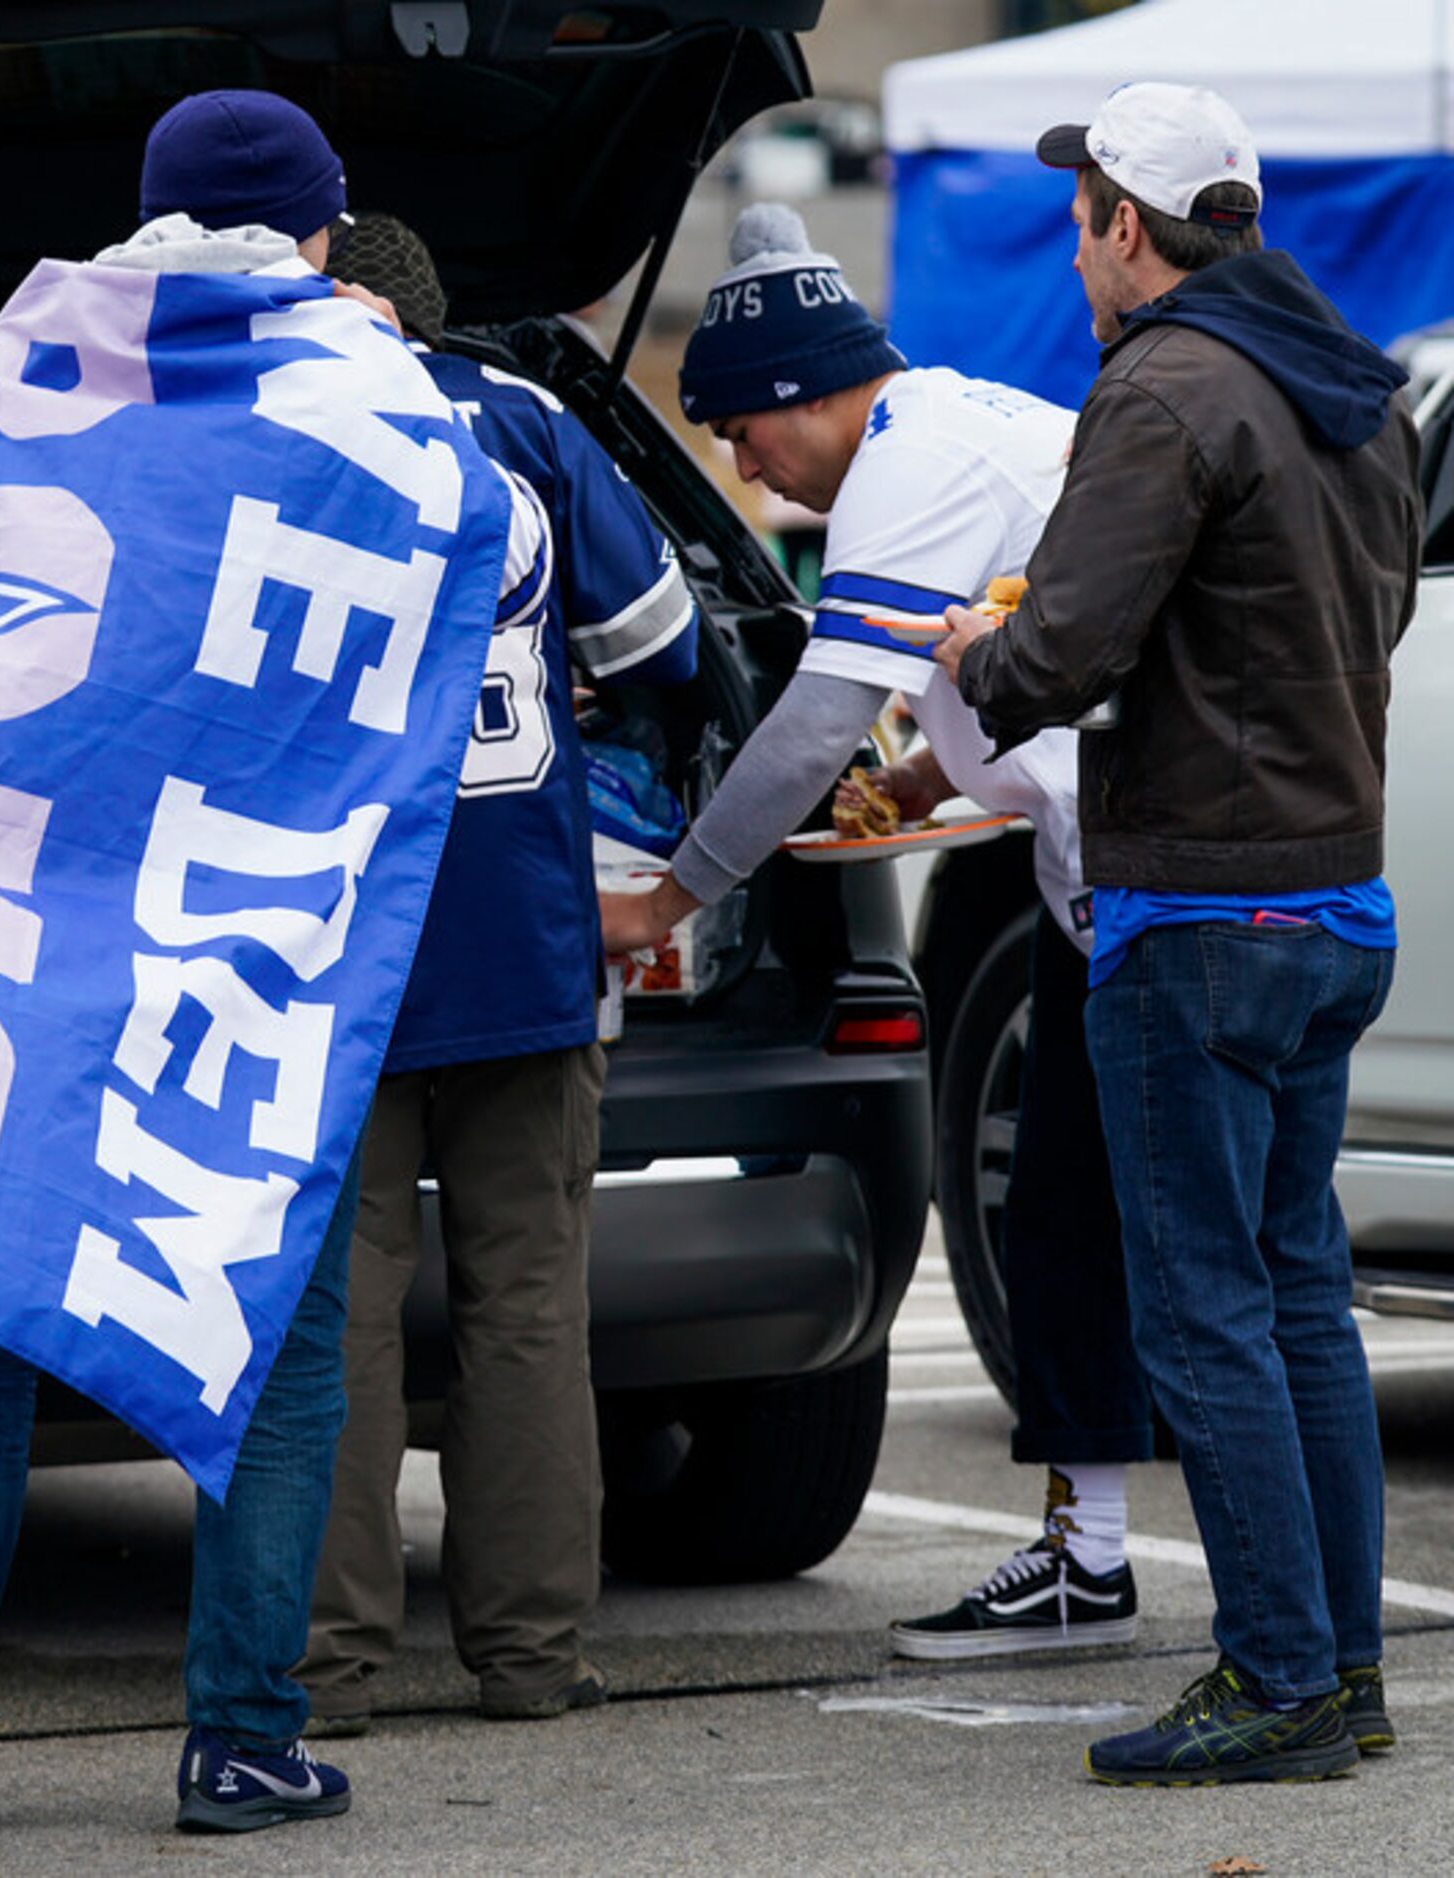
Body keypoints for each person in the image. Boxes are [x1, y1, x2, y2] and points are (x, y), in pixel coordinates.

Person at [0, 91, 542, 1837]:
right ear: (324, 230)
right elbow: (484, 587)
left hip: (33, 928)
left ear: (151, 212)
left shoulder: (36, 358)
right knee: (276, 1331)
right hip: (258, 942)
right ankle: (244, 1735)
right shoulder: (377, 394)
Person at [600, 203, 1155, 1660]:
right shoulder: (946, 428)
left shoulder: (907, 469)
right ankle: (1090, 1555)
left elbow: (801, 736)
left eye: (738, 432)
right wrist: (916, 774)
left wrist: (667, 896)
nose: (738, 466)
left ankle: (1282, 1606)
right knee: (1061, 1224)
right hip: (1092, 883)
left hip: (1152, 890)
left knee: (1188, 1250)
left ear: (801, 393)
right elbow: (995, 642)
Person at [944, 82, 1417, 1786]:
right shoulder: (1358, 389)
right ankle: (1341, 1672)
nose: (1074, 243)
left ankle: (1276, 1673)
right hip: (1334, 899)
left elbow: (1060, 650)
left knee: (1204, 1312)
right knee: (1300, 1299)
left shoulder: (1162, 386)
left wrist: (966, 659)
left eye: (1082, 214)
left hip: (1199, 909)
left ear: (1128, 230)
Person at [294, 213, 696, 1734]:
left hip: (337, 952)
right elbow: (663, 639)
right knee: (529, 1304)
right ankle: (531, 1655)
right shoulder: (519, 420)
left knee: (334, 1314)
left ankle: (321, 1668)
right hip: (527, 936)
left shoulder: (275, 428)